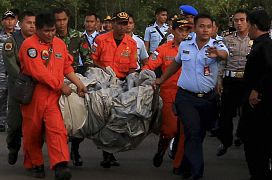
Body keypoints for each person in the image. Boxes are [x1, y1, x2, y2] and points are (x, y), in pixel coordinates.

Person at [156, 14, 229, 180]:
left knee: (198, 135)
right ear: (195, 27)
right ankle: (197, 173)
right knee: (193, 131)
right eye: (201, 26)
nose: (205, 29)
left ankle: (185, 166)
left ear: (212, 29)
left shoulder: (216, 44)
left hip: (208, 99)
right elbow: (176, 63)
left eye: (209, 27)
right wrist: (161, 79)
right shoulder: (185, 44)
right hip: (186, 98)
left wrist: (217, 53)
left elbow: (225, 54)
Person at [18, 12, 86, 179]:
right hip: (34, 95)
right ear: (38, 30)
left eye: (53, 30)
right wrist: (60, 85)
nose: (50, 34)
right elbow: (38, 72)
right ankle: (36, 163)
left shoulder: (59, 44)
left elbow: (66, 67)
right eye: (46, 31)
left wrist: (79, 84)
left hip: (53, 97)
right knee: (32, 132)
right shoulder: (29, 46)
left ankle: (60, 165)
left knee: (58, 130)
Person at [142, 18, 192, 175]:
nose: (184, 34)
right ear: (173, 31)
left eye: (187, 31)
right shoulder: (163, 49)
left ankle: (178, 164)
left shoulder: (194, 49)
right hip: (168, 93)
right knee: (170, 130)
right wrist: (148, 79)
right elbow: (148, 66)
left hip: (187, 94)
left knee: (184, 132)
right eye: (180, 30)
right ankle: (162, 148)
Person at [92, 11, 137, 168]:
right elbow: (93, 60)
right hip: (102, 85)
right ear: (113, 24)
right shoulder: (100, 40)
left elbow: (132, 67)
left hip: (121, 85)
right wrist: (105, 73)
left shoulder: (131, 44)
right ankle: (105, 153)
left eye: (125, 23)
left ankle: (109, 152)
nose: (122, 26)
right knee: (103, 118)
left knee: (116, 119)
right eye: (119, 23)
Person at [53, 7, 92, 167]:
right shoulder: (49, 36)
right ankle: (58, 154)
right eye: (58, 20)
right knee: (56, 120)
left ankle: (75, 150)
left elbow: (88, 59)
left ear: (68, 19)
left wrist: (86, 79)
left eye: (64, 20)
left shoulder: (78, 36)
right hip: (54, 81)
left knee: (78, 116)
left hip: (74, 79)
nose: (61, 23)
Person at [239, 9, 272, 180]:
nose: (247, 28)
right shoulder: (260, 44)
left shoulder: (265, 45)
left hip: (260, 107)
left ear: (254, 25)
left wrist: (257, 89)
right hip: (253, 106)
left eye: (248, 24)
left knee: (257, 147)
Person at [216, 9, 252, 156]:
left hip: (247, 80)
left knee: (247, 113)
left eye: (242, 20)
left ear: (248, 21)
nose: (239, 23)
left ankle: (241, 135)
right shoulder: (227, 39)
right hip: (230, 80)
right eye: (236, 20)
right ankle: (225, 141)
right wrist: (219, 80)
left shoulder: (255, 39)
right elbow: (222, 62)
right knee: (225, 114)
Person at [2, 11, 36, 165]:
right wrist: (27, 77)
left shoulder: (40, 41)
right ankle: (13, 147)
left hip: (37, 88)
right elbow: (10, 65)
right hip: (18, 87)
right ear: (20, 24)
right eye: (29, 23)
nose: (32, 26)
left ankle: (32, 156)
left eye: (35, 23)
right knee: (15, 123)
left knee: (35, 125)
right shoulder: (12, 41)